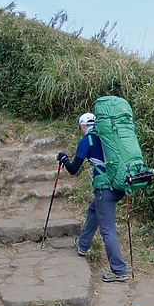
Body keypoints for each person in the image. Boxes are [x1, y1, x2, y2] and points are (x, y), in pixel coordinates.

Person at [57, 112, 130, 283]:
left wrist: (64, 159)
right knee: (93, 211)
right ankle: (83, 244)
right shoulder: (109, 137)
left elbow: (73, 169)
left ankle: (119, 270)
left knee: (108, 230)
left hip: (105, 189)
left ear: (83, 126)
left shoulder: (87, 140)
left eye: (80, 128)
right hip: (119, 185)